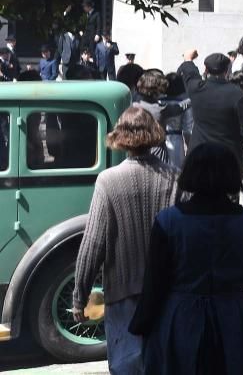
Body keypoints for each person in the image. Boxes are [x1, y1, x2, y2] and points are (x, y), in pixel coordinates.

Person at [129, 143, 243, 375]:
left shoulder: (168, 223)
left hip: (181, 323)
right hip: (233, 322)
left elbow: (154, 288)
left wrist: (141, 325)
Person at [73, 107, 177, 375]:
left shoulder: (108, 181)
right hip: (169, 293)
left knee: (127, 368)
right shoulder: (175, 177)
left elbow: (92, 246)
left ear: (120, 136)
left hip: (123, 296)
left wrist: (79, 297)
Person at [177, 49, 243, 162]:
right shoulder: (237, 94)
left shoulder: (196, 89)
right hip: (227, 157)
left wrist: (188, 59)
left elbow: (190, 74)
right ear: (227, 70)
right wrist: (234, 143)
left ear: (205, 69)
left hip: (199, 155)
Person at [133, 70, 190, 168]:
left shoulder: (135, 103)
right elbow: (179, 108)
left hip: (137, 148)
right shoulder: (159, 109)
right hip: (156, 149)